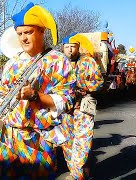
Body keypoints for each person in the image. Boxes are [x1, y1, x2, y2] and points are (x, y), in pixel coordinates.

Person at [0, 2, 76, 179]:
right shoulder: (12, 63)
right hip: (8, 136)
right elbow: (1, 94)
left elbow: (67, 101)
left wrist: (35, 96)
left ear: (42, 31)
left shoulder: (58, 61)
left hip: (37, 137)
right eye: (19, 34)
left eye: (28, 32)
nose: (23, 38)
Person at [61, 32, 104, 180]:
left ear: (78, 47)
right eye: (67, 47)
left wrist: (83, 87)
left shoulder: (88, 62)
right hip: (65, 110)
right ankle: (79, 172)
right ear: (63, 48)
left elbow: (99, 82)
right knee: (67, 143)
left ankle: (77, 175)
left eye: (73, 47)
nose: (70, 50)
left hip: (83, 108)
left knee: (82, 142)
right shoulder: (59, 63)